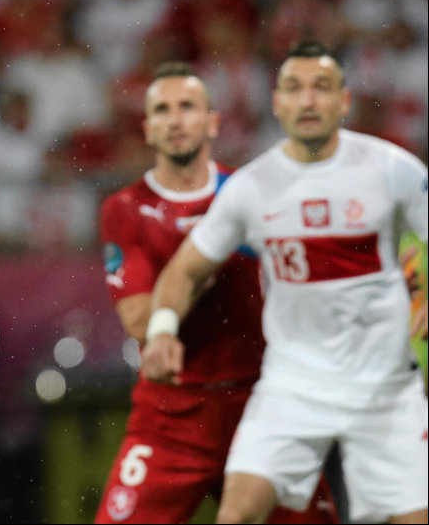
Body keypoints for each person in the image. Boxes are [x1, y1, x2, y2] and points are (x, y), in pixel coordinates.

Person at [141, 41, 428, 524]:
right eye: (294, 88)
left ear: (344, 100)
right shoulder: (251, 188)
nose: (308, 100)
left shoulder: (393, 170)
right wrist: (163, 330)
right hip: (294, 385)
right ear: (276, 102)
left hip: (386, 387)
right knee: (237, 513)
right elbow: (184, 270)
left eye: (322, 87)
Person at [94, 62, 336, 524]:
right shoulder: (125, 209)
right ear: (147, 129)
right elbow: (140, 322)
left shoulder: (253, 195)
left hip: (262, 408)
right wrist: (199, 263)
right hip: (173, 414)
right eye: (162, 110)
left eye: (187, 107)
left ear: (212, 122)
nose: (175, 119)